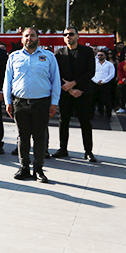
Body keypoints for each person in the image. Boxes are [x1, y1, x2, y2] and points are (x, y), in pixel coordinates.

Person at [4, 27, 61, 183]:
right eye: (26, 36)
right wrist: (8, 101)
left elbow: (55, 81)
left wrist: (54, 103)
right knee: (22, 137)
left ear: (38, 38)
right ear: (22, 39)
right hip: (20, 103)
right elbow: (7, 81)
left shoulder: (48, 57)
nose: (29, 38)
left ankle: (38, 169)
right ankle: (24, 167)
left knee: (39, 137)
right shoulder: (14, 57)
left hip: (41, 103)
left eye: (32, 35)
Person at [53, 28, 96, 162]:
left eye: (70, 34)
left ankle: (88, 151)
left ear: (77, 36)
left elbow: (90, 72)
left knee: (85, 122)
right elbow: (56, 74)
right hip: (66, 93)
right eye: (65, 35)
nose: (68, 37)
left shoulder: (87, 52)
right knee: (63, 121)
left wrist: (74, 84)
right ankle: (63, 148)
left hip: (83, 93)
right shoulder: (59, 53)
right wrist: (69, 89)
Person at [91, 50, 115, 119]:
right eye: (98, 55)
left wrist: (104, 81)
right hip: (95, 84)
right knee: (92, 101)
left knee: (107, 102)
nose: (99, 56)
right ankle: (91, 116)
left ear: (105, 56)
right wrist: (96, 81)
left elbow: (111, 74)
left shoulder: (109, 64)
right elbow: (91, 73)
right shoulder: (94, 63)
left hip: (105, 85)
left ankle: (108, 116)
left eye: (101, 55)